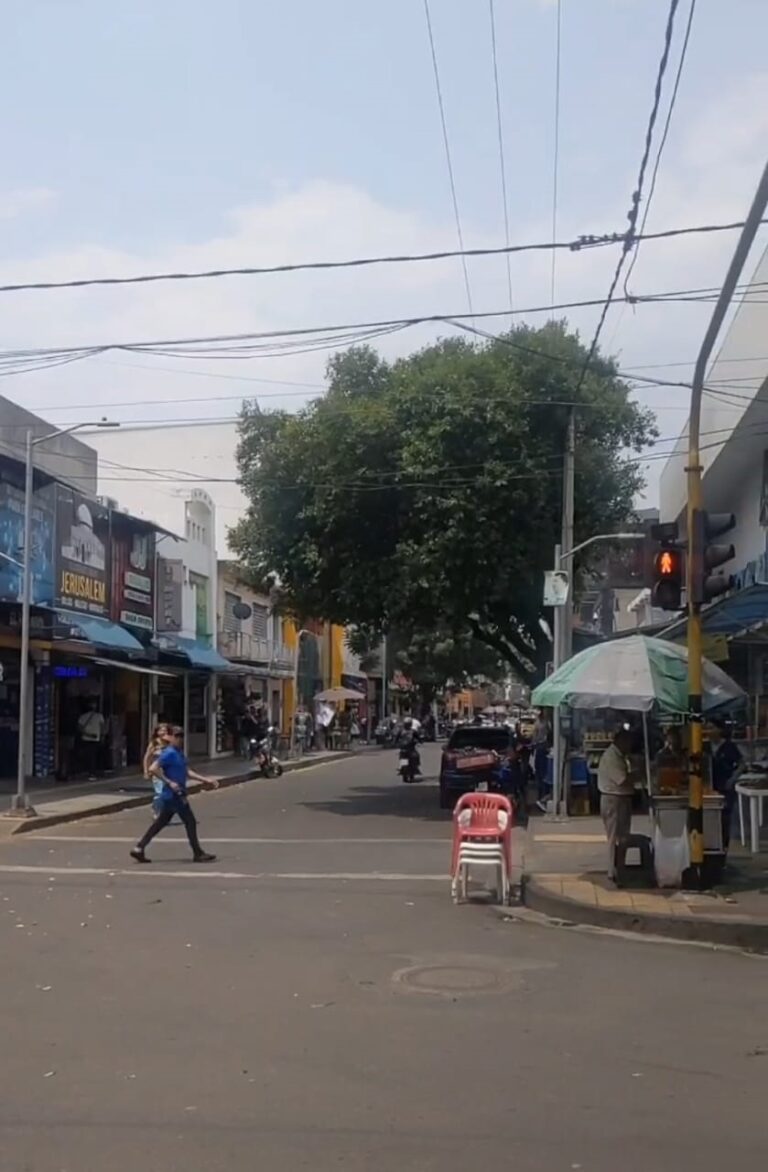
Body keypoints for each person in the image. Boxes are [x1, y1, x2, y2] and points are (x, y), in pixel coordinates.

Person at [130, 726, 219, 864]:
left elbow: (187, 772)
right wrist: (169, 782)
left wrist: (206, 780)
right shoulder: (169, 753)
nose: (179, 739)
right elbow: (153, 768)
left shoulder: (179, 753)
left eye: (181, 736)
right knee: (190, 821)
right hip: (174, 794)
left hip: (175, 794)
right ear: (169, 737)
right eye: (176, 736)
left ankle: (139, 848)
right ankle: (198, 853)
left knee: (160, 823)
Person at [597, 728, 635, 883]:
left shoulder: (621, 756)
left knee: (623, 836)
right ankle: (612, 870)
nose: (630, 746)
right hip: (613, 799)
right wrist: (639, 773)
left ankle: (621, 866)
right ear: (621, 741)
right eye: (628, 742)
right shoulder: (611, 757)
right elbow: (623, 779)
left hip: (622, 798)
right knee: (614, 837)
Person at [707, 720, 743, 850]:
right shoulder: (705, 746)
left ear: (719, 730)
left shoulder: (729, 746)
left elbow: (741, 764)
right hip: (710, 787)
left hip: (726, 787)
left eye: (711, 728)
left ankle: (724, 846)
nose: (709, 731)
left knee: (724, 818)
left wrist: (733, 779)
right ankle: (713, 844)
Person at [143, 722, 171, 815]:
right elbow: (147, 757)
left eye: (165, 730)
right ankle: (156, 810)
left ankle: (162, 810)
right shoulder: (154, 743)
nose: (163, 732)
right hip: (157, 772)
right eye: (161, 730)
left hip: (169, 771)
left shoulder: (170, 743)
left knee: (167, 793)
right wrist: (146, 771)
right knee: (159, 793)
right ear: (157, 732)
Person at [78, 698, 106, 780]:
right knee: (94, 756)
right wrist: (102, 737)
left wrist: (88, 734)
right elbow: (103, 728)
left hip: (86, 738)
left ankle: (89, 771)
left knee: (88, 756)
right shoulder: (99, 716)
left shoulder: (82, 717)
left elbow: (79, 728)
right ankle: (92, 772)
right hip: (96, 738)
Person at [531, 709, 551, 811]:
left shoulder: (546, 722)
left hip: (543, 749)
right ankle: (542, 798)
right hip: (541, 749)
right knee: (542, 775)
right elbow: (535, 737)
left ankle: (543, 798)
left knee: (544, 775)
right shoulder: (540, 722)